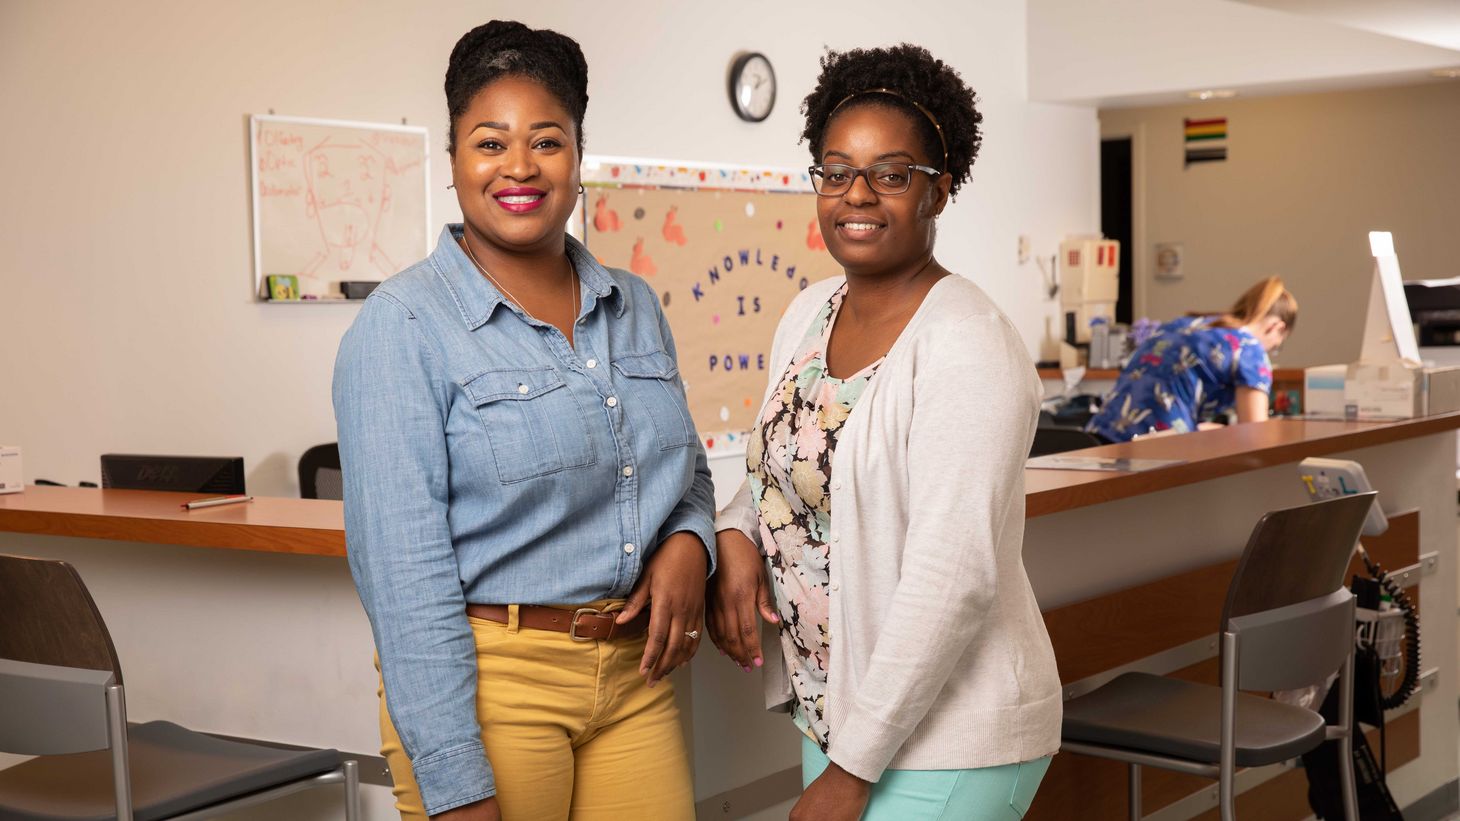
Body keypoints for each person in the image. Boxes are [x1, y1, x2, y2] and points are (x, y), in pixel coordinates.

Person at [332, 21, 715, 821]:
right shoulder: (402, 326)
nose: (518, 167)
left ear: (578, 157)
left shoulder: (634, 305)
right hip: (491, 686)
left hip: (633, 678)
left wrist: (690, 543)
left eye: (546, 140)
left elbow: (684, 472)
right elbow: (403, 578)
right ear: (453, 162)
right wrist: (455, 778)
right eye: (489, 142)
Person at [710, 44, 1061, 821]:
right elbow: (777, 470)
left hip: (952, 735)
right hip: (840, 713)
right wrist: (734, 532)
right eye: (835, 172)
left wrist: (850, 771)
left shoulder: (968, 343)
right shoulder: (807, 314)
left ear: (939, 189)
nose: (856, 194)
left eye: (891, 173)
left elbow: (953, 575)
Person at [1086, 277, 1296, 443]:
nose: (1270, 351)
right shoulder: (1249, 348)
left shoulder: (1184, 324)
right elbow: (1255, 435)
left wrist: (1198, 429)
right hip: (1152, 448)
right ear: (1277, 328)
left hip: (1099, 436)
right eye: (1276, 347)